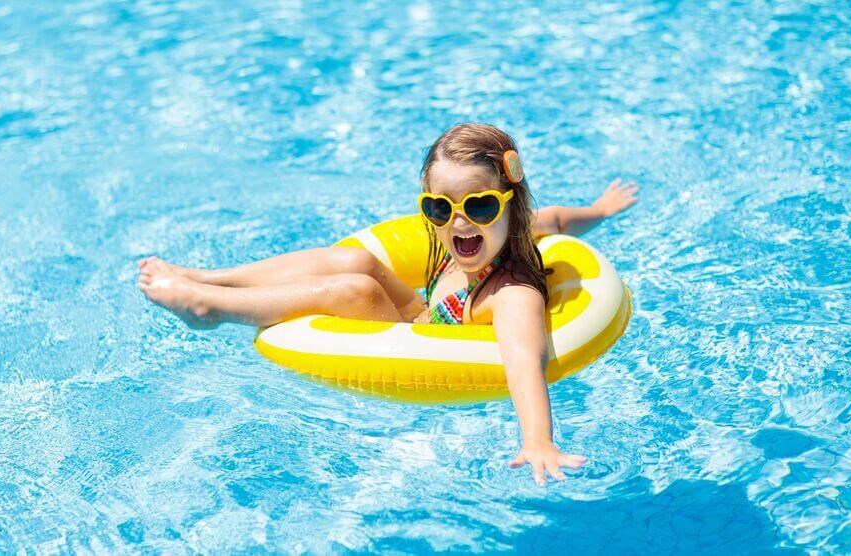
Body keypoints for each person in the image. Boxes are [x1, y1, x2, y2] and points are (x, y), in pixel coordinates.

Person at [138, 123, 637, 485]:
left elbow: (524, 362)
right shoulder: (466, 240)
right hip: (425, 315)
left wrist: (538, 442)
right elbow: (558, 220)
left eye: (480, 206)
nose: (460, 223)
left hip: (434, 340)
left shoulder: (512, 293)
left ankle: (212, 309)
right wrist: (599, 210)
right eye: (440, 208)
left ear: (511, 203)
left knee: (358, 292)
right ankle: (206, 278)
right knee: (355, 259)